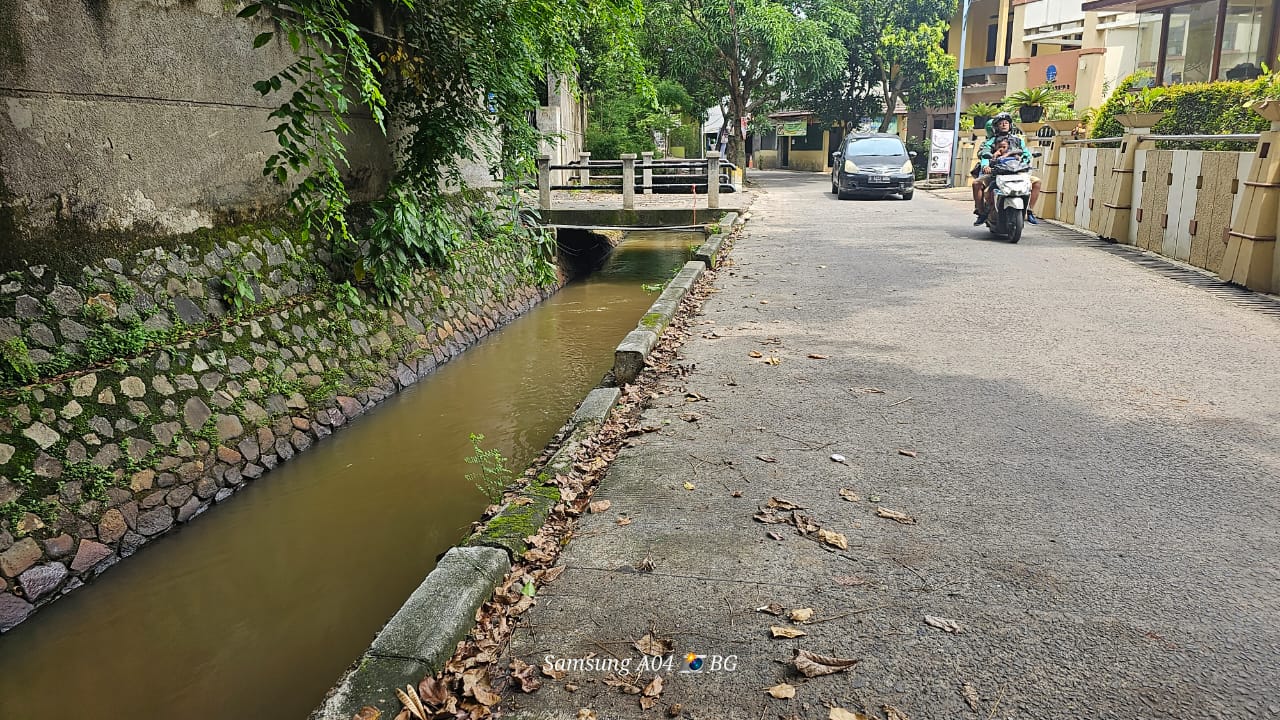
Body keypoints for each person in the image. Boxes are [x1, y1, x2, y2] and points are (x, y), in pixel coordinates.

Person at [972, 112, 1042, 225]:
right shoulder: (991, 141)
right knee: (976, 184)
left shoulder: (1018, 140)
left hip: (1017, 172)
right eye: (1001, 123)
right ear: (996, 126)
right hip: (996, 172)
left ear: (1010, 125)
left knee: (1037, 182)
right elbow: (985, 153)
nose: (1004, 125)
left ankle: (1029, 211)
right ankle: (982, 213)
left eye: (1006, 123)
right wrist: (985, 165)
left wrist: (1025, 161)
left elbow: (1026, 153)